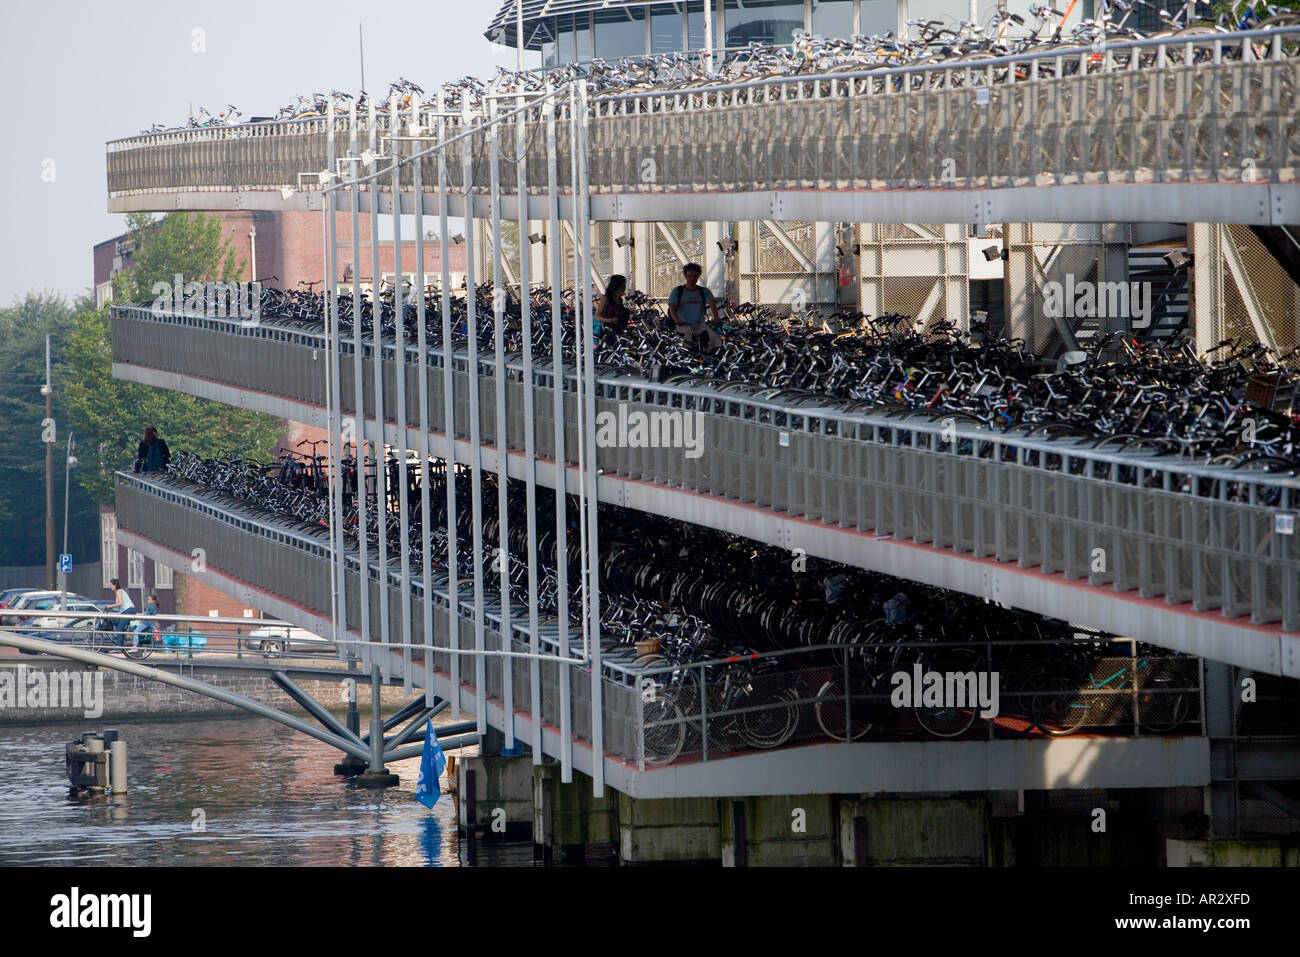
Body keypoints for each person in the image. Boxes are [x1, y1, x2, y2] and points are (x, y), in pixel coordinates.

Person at [667, 263, 722, 355]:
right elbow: (672, 306)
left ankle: (707, 358)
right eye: (689, 276)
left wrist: (716, 317)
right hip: (683, 325)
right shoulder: (678, 291)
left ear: (698, 276)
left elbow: (712, 304)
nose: (692, 279)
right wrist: (676, 320)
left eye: (695, 276)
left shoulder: (704, 291)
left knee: (716, 341)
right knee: (688, 343)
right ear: (685, 276)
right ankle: (688, 359)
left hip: (699, 325)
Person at [594, 274, 631, 340]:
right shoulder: (605, 298)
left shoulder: (620, 299)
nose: (624, 287)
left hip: (618, 332)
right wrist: (609, 320)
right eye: (623, 285)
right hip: (607, 333)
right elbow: (597, 316)